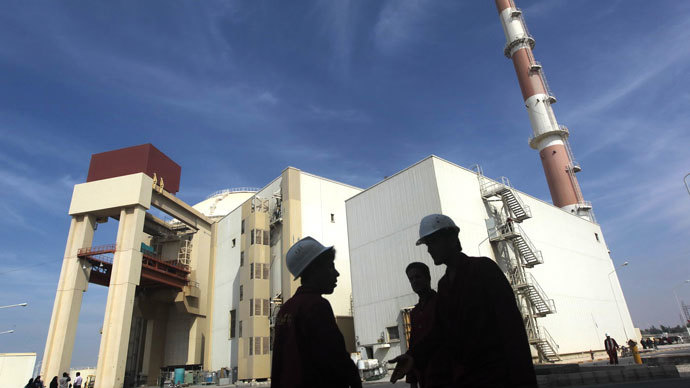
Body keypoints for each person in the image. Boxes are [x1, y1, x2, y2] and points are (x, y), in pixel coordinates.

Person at [390, 214, 537, 387]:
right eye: (427, 245)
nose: (429, 250)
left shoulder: (483, 270)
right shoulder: (444, 285)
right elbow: (440, 331)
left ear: (452, 238)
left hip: (496, 375)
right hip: (466, 377)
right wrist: (413, 356)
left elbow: (512, 328)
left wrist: (524, 380)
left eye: (433, 242)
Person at [271, 237, 361, 388]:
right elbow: (335, 356)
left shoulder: (285, 310)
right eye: (330, 267)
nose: (336, 273)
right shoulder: (316, 305)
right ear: (314, 270)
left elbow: (277, 362)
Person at [404, 262, 440, 388]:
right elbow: (413, 343)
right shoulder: (414, 313)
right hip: (424, 377)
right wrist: (412, 380)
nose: (414, 281)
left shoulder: (441, 303)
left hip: (444, 373)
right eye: (411, 279)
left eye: (418, 277)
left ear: (428, 278)